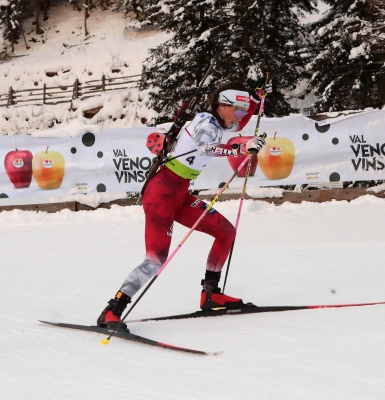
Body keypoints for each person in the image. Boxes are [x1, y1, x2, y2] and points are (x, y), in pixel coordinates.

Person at [97, 82, 269, 330]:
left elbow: (239, 124)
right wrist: (242, 147)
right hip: (161, 194)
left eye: (243, 111)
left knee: (225, 232)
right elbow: (205, 147)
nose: (240, 116)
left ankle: (210, 294)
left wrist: (254, 100)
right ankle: (113, 309)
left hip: (180, 194)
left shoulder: (221, 121)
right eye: (237, 109)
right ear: (222, 106)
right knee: (155, 259)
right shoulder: (205, 122)